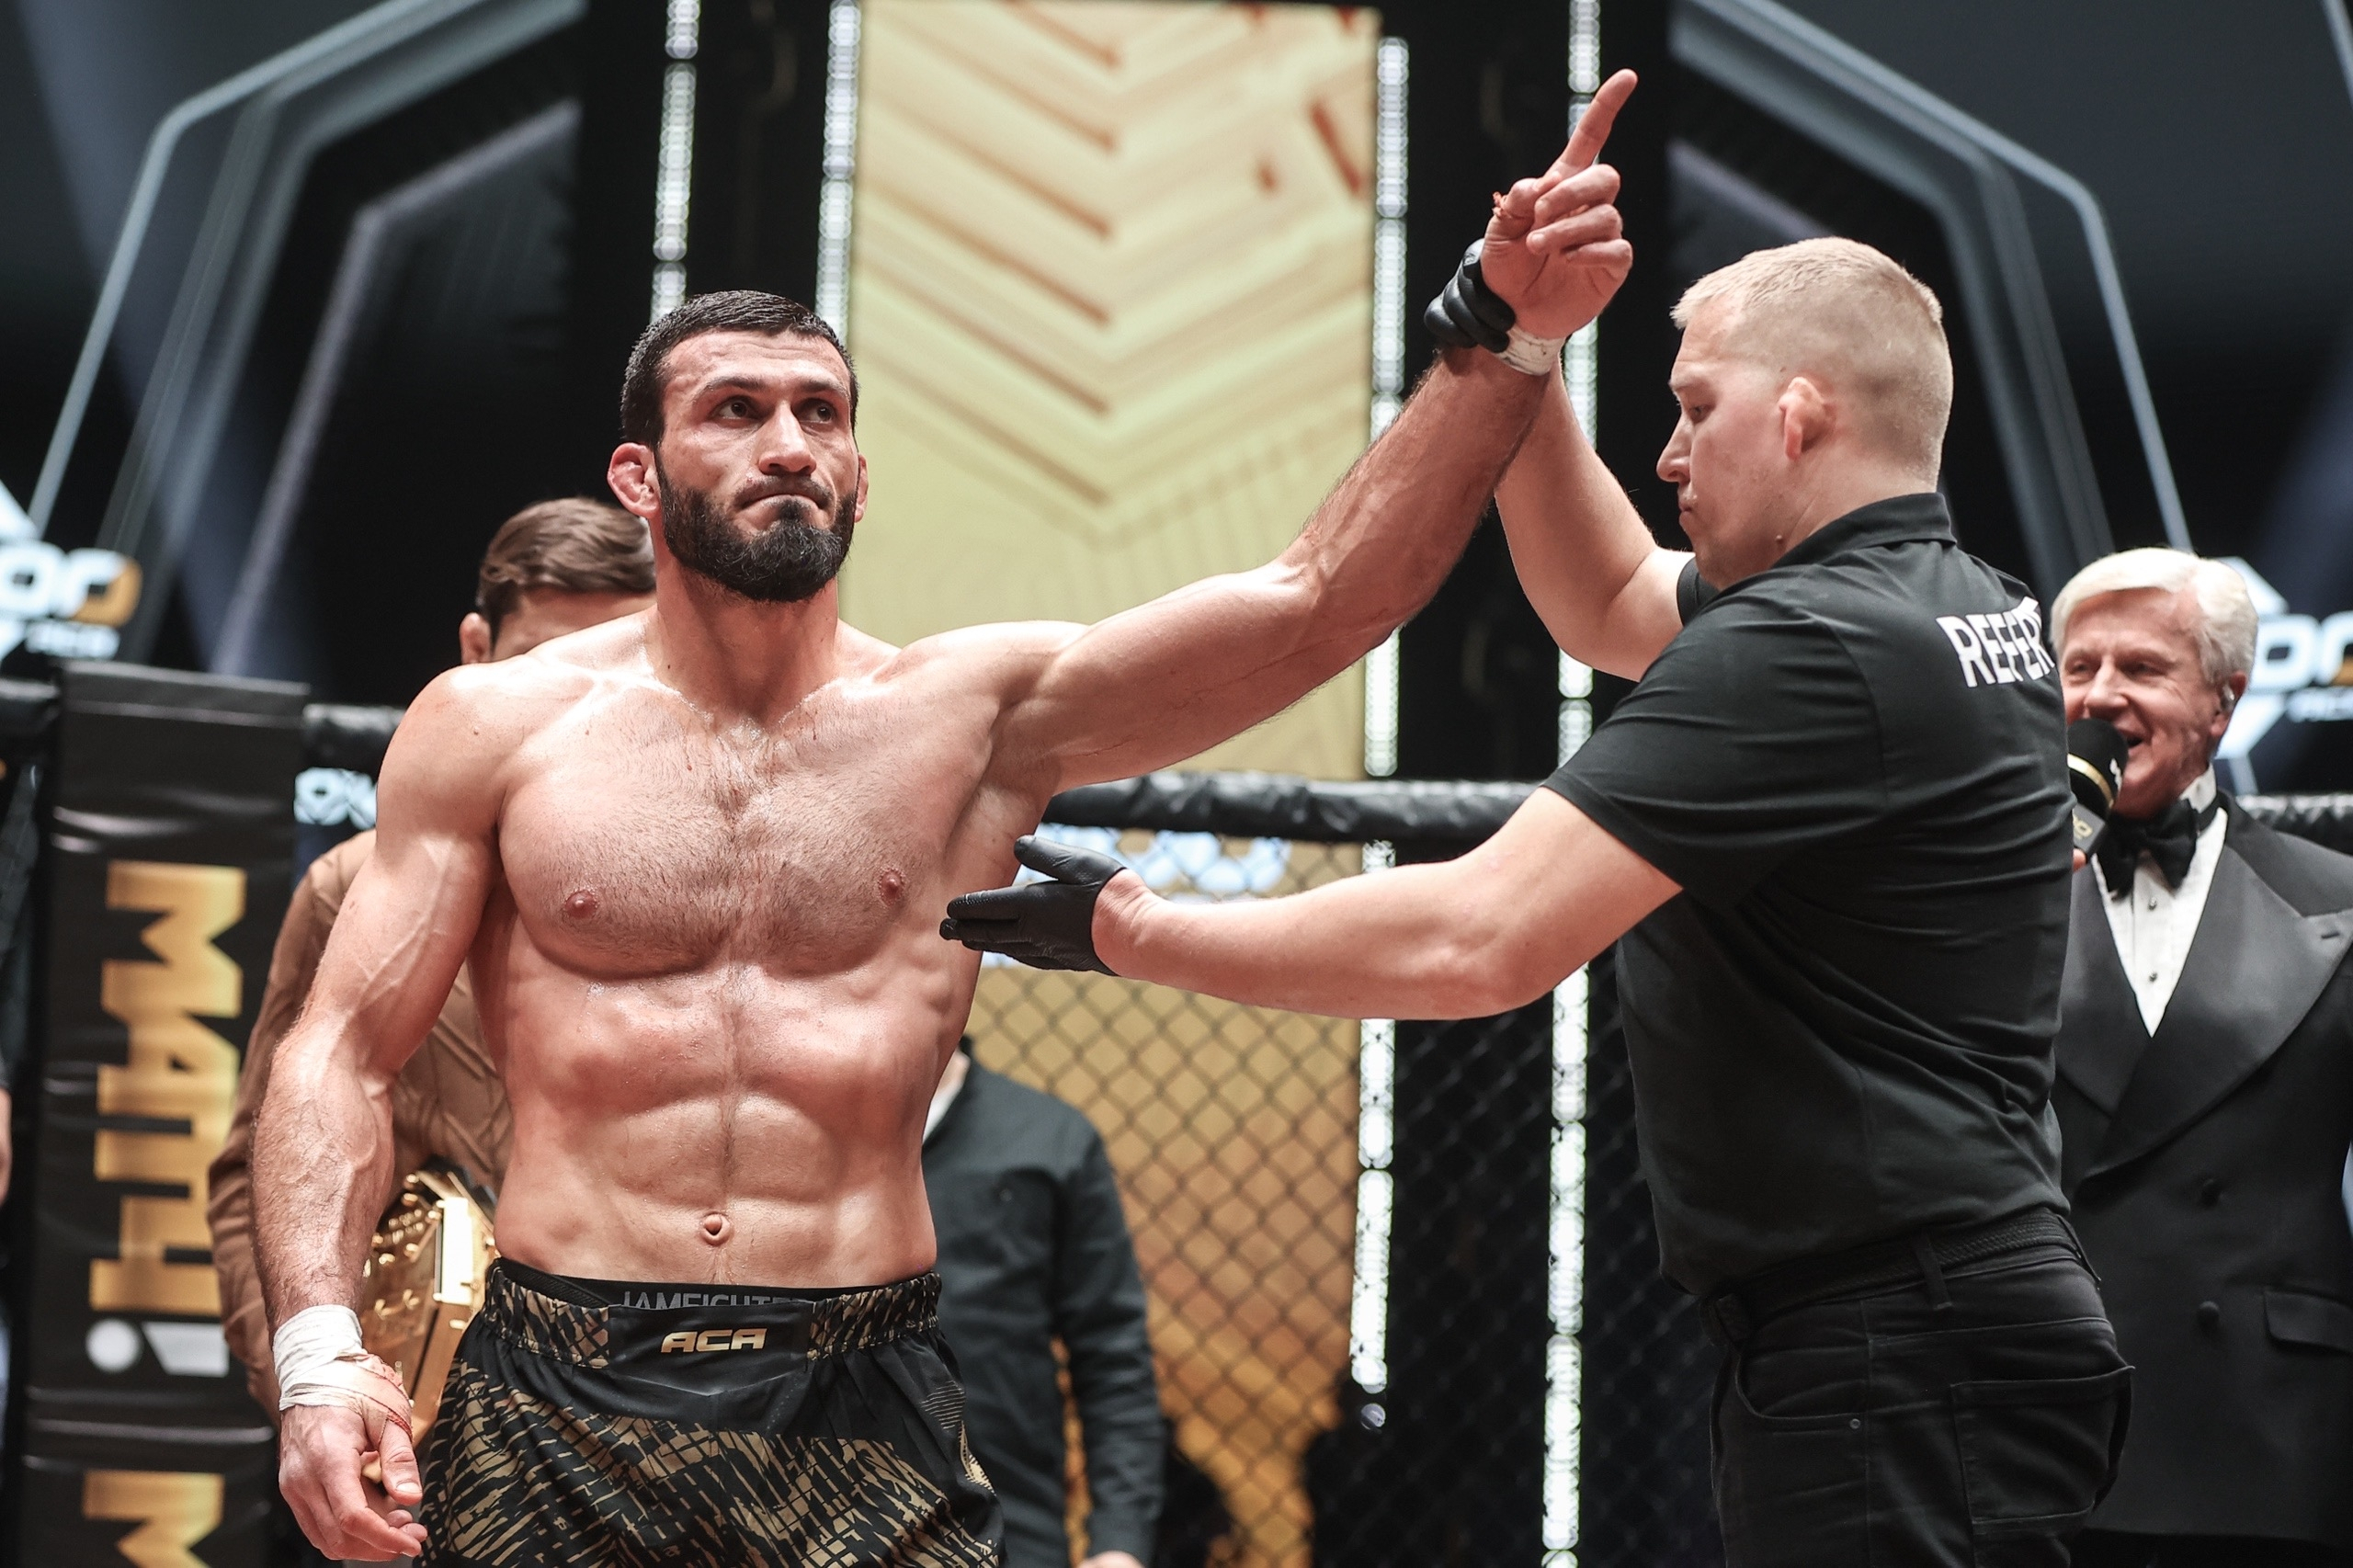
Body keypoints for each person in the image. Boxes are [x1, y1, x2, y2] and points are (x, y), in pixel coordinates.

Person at [247, 72, 1643, 1565]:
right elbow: (340, 1050)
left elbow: (1319, 603)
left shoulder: (974, 719)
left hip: (859, 1388)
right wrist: (320, 1359)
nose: (789, 443)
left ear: (858, 468)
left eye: (820, 413)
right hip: (558, 1381)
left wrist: (1503, 336)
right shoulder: (497, 726)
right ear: (639, 477)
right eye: (736, 411)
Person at [948, 231, 2130, 1565]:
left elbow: (1480, 937)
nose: (1670, 455)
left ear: (1799, 415)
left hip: (1895, 1336)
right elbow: (1611, 595)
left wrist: (1140, 931)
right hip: (1940, 1315)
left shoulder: (1809, 645)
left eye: (1696, 409)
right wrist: (1519, 349)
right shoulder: (1962, 606)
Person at [210, 496, 657, 1415]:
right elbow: (256, 1170)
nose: (576, 703)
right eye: (542, 663)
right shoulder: (351, 887)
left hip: (674, 1404)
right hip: (431, 1420)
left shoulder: (718, 882)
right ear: (475, 651)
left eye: (613, 666)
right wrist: (317, 1390)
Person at [2050, 550, 2353, 1568]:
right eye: (2079, 667)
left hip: (2267, 1438)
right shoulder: (1989, 902)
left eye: (2140, 667)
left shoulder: (2339, 904)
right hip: (2042, 1426)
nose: (2101, 695)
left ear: (2225, 699)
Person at [923, 1041, 1160, 1568]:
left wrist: (1120, 1541)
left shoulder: (1049, 1138)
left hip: (1008, 1524)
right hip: (821, 1521)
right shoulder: (789, 1130)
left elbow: (1111, 1350)